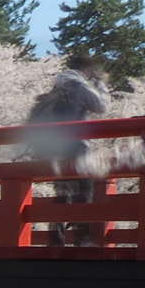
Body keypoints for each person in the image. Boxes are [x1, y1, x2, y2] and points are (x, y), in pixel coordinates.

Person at [28, 53, 110, 246]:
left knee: (62, 193)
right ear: (87, 70)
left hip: (55, 147)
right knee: (83, 191)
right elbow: (101, 106)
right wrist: (100, 84)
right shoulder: (77, 84)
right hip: (75, 146)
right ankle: (83, 240)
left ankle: (56, 241)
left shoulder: (57, 86)